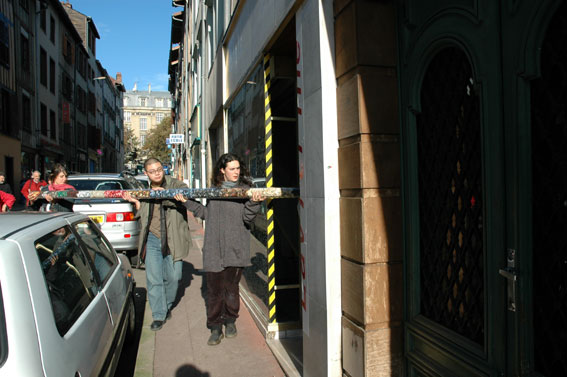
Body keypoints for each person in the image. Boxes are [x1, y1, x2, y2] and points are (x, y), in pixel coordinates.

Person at [179, 153, 264, 346]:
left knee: (231, 289)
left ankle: (231, 321)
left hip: (236, 248)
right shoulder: (214, 191)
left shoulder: (246, 191)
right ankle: (215, 327)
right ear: (222, 171)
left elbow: (247, 219)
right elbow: (204, 213)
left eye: (238, 168)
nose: (236, 172)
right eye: (232, 169)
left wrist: (254, 202)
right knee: (214, 291)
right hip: (214, 249)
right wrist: (185, 201)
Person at [122, 157, 193, 331]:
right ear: (146, 173)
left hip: (173, 237)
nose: (157, 173)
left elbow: (186, 195)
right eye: (153, 171)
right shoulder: (143, 190)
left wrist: (165, 194)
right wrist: (136, 203)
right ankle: (159, 315)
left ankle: (167, 304)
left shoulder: (176, 184)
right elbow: (143, 215)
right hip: (152, 238)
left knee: (175, 277)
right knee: (153, 279)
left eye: (159, 169)